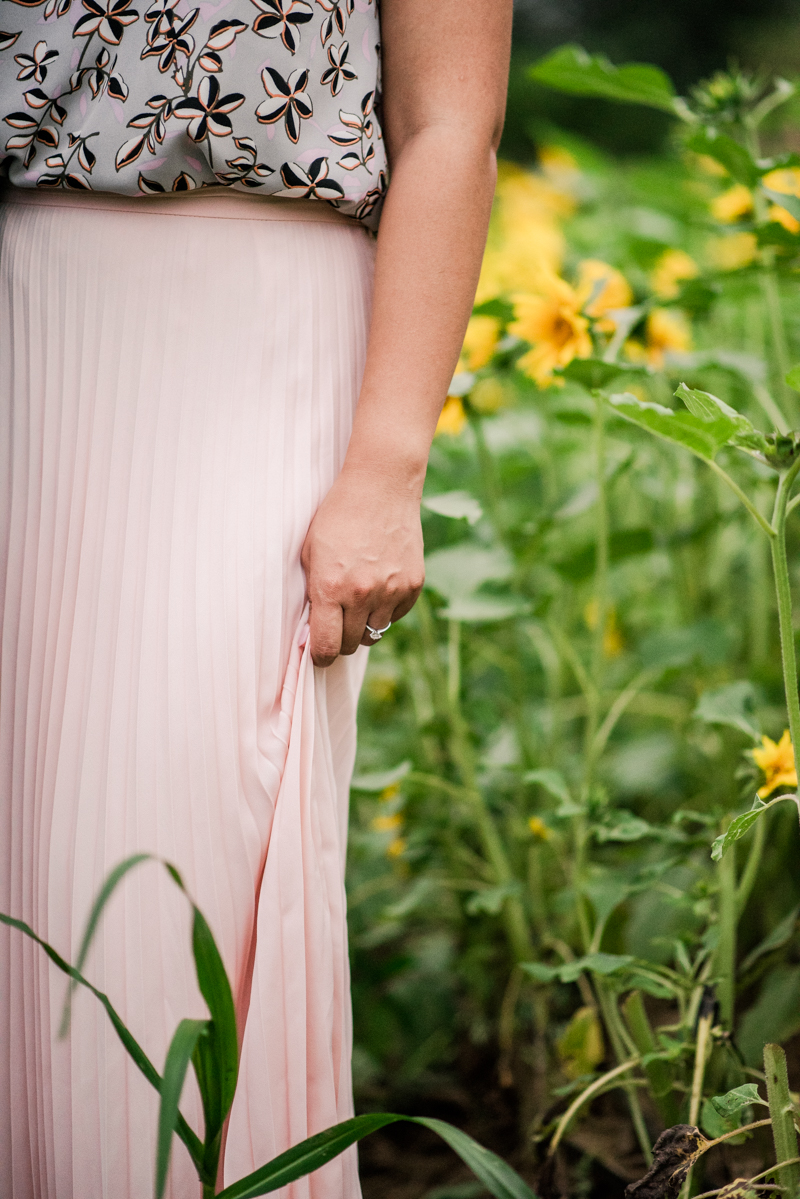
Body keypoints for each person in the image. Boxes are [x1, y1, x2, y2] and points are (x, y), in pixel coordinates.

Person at [0, 0, 513, 1194]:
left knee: (171, 852)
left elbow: (448, 121)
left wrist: (386, 469)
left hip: (256, 330)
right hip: (29, 328)